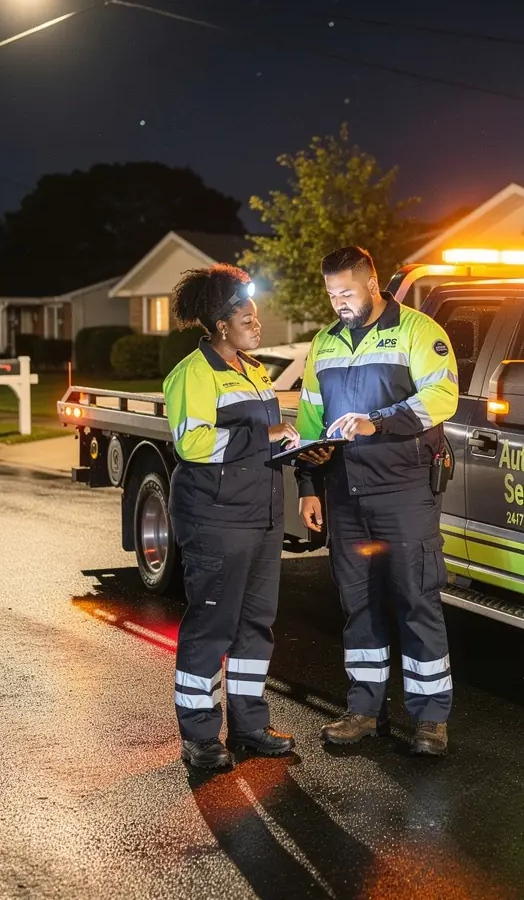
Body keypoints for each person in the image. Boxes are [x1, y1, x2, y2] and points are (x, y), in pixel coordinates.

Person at [296, 245, 459, 756]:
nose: (338, 302)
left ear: (371, 283)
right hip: (345, 490)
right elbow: (309, 417)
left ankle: (431, 721)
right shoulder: (324, 343)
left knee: (416, 598)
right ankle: (364, 711)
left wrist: (379, 421)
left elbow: (441, 396)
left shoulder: (417, 330)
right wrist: (307, 484)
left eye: (346, 292)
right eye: (330, 295)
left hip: (404, 487)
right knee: (358, 605)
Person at [163, 263, 301, 771]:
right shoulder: (192, 374)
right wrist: (264, 435)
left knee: (255, 625)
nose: (257, 323)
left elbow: (261, 439)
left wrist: (298, 443)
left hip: (261, 516)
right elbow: (192, 442)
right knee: (211, 625)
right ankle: (199, 735)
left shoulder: (255, 368)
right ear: (221, 324)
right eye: (247, 315)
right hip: (216, 517)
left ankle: (249, 725)